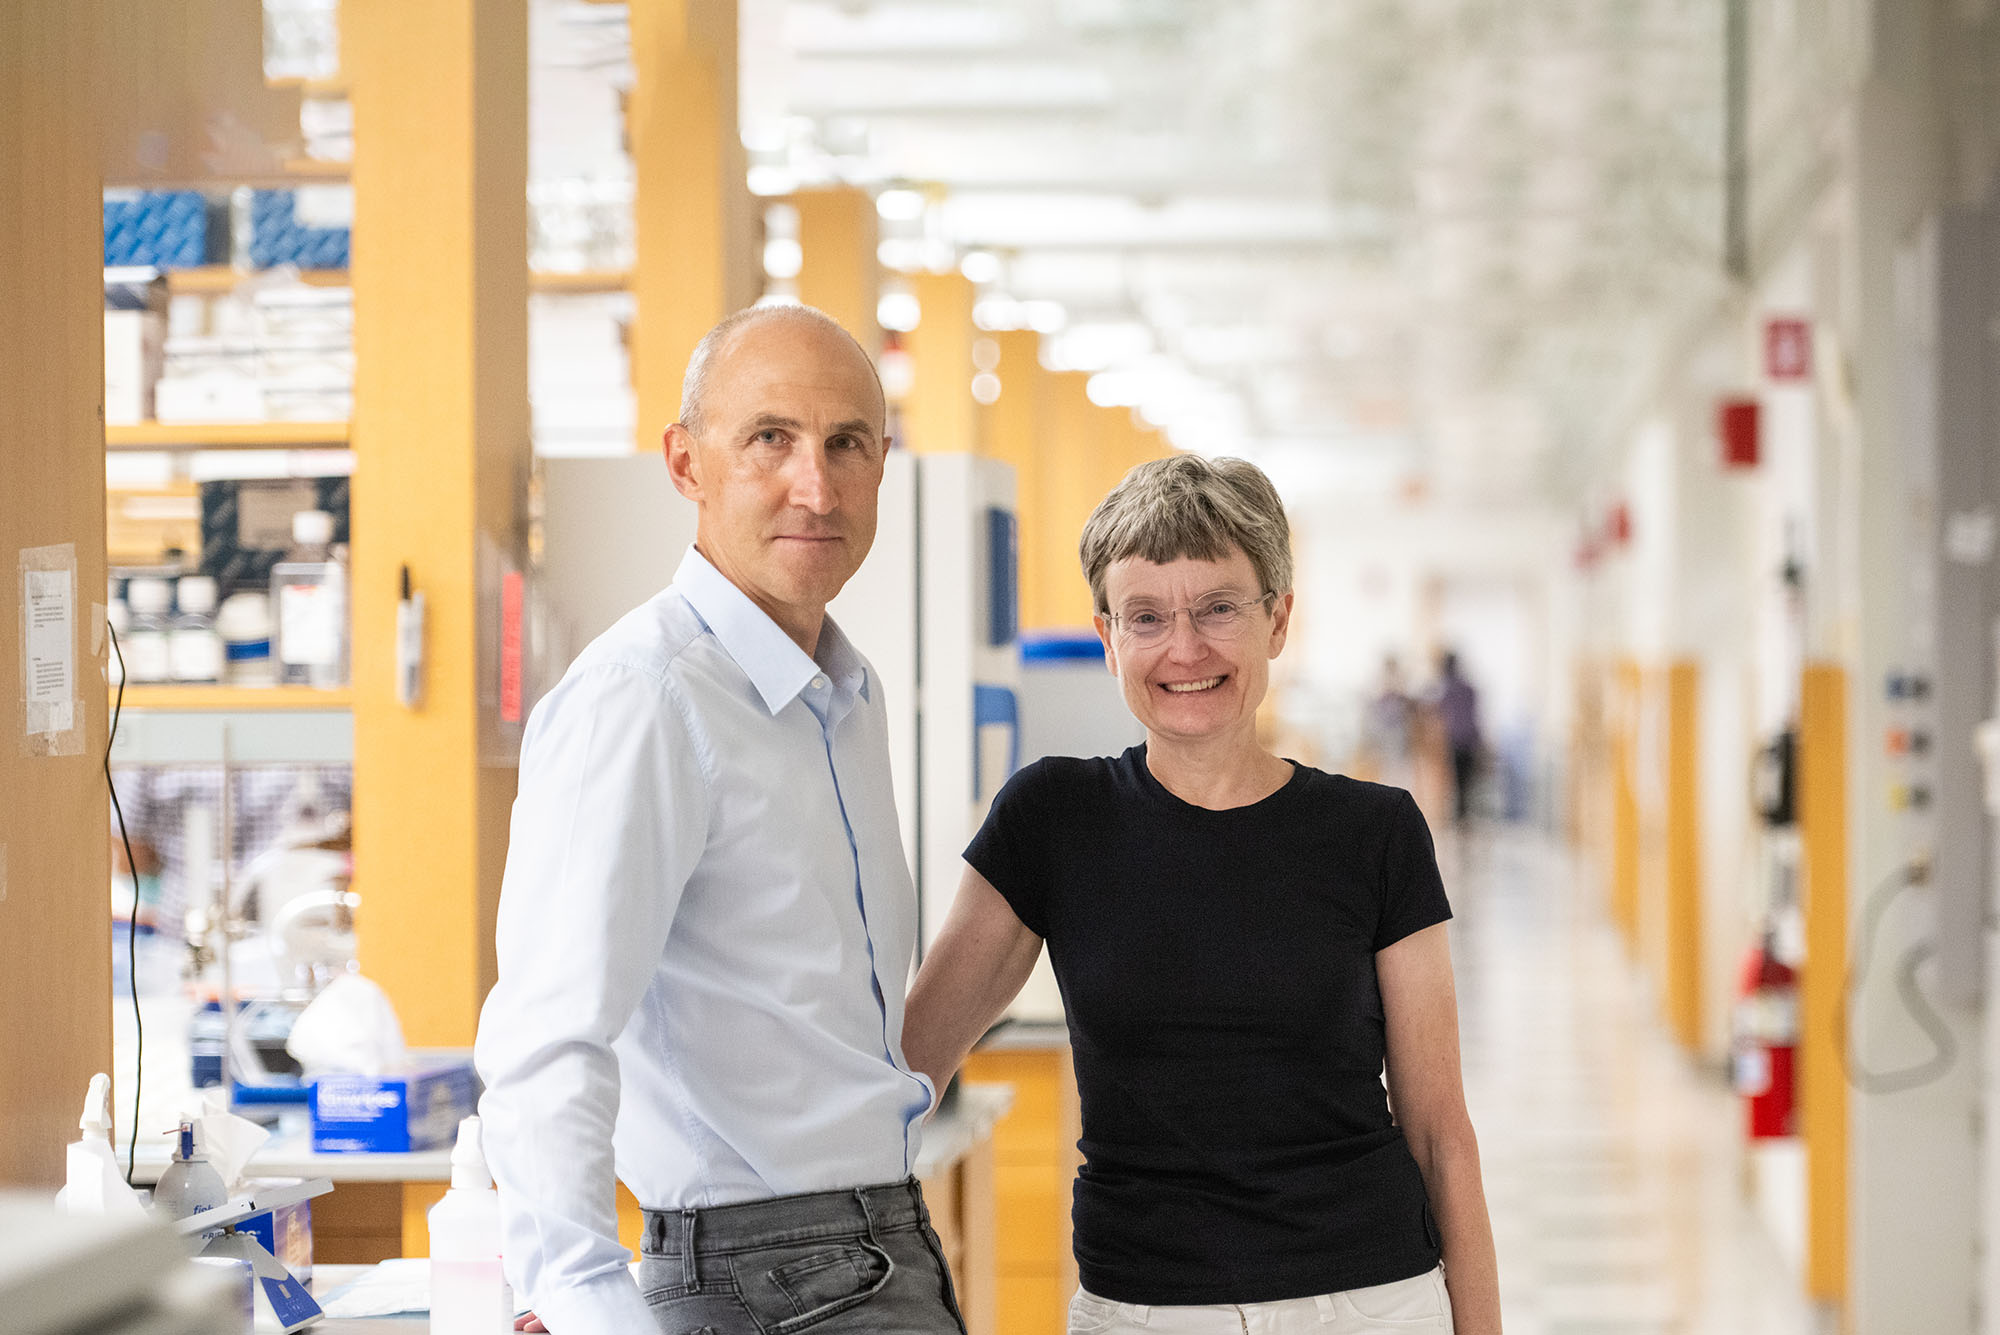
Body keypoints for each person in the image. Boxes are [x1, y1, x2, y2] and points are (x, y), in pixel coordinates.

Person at [903, 455, 1501, 1335]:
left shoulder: (1375, 832)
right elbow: (908, 1069)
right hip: (1142, 1309)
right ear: (1107, 637)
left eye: (1219, 607)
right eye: (1146, 616)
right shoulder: (1051, 818)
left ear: (1278, 619)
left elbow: (1441, 1134)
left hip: (1367, 1302)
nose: (1185, 648)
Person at [475, 305, 963, 1335]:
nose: (815, 487)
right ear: (685, 463)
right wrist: (577, 1292)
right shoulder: (648, 697)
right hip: (760, 1276)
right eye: (769, 440)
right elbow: (549, 1030)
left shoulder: (847, 696)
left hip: (871, 1245)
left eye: (846, 445)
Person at [1433, 649, 1483, 825]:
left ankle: (1460, 818)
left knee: (1456, 783)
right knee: (1465, 784)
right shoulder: (1468, 689)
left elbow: (1438, 714)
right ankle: (1462, 817)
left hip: (1455, 741)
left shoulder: (1446, 690)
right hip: (1469, 740)